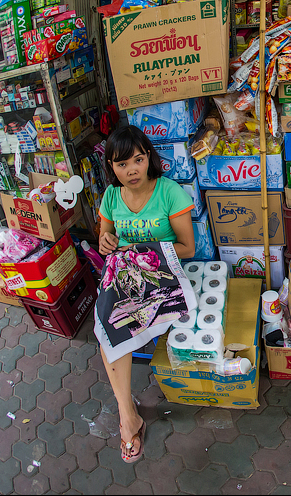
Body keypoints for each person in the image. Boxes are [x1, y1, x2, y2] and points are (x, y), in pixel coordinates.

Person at [97, 125, 195, 463]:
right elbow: (105, 240)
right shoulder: (111, 197)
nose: (132, 170)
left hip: (162, 272)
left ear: (148, 157)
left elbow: (187, 247)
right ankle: (128, 415)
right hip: (125, 274)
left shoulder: (169, 192)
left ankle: (128, 420)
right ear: (111, 166)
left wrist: (142, 250)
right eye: (122, 164)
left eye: (138, 160)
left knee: (116, 324)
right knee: (110, 325)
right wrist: (106, 242)